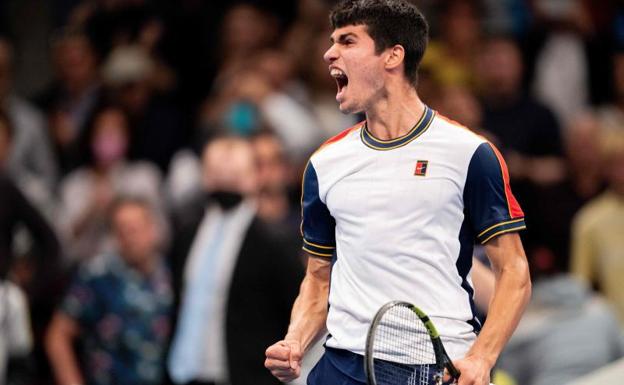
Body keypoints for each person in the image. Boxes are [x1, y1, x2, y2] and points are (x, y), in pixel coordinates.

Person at [264, 2, 531, 385]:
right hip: (340, 367)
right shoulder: (324, 164)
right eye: (332, 42)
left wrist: (481, 358)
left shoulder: (470, 154)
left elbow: (514, 271)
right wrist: (295, 340)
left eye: (347, 41)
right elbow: (318, 279)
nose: (329, 53)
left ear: (393, 55)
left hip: (439, 367)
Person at [167, 136, 302, 385]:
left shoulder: (274, 241)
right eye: (217, 168)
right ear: (205, 174)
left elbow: (295, 310)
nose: (226, 174)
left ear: (255, 176)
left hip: (247, 376)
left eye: (235, 171)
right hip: (184, 373)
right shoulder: (187, 235)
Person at [46, 196, 173, 385]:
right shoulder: (97, 274)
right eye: (121, 231)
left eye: (135, 229)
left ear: (152, 229)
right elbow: (57, 336)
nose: (130, 237)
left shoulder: (169, 275)